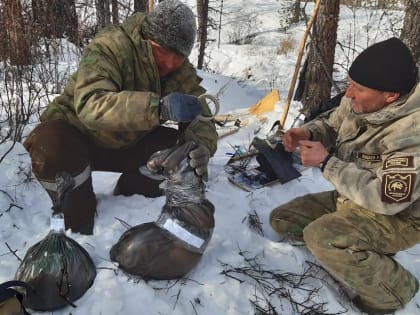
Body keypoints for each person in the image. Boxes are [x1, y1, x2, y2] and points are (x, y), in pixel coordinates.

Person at [23, 0, 217, 235]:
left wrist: (203, 146)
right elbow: (91, 104)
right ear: (147, 39)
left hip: (127, 144)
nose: (170, 63)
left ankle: (131, 193)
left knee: (176, 146)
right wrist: (158, 108)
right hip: (78, 139)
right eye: (163, 52)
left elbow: (202, 113)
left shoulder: (179, 70)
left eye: (178, 56)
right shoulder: (112, 46)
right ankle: (78, 217)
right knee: (49, 144)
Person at [269, 37, 419, 314]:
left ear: (391, 96)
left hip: (401, 217)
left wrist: (327, 163)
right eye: (350, 83)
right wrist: (309, 132)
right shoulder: (364, 101)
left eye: (358, 88)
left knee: (321, 236)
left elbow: (388, 199)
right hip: (354, 197)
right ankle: (359, 249)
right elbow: (334, 123)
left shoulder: (411, 134)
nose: (348, 94)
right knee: (283, 220)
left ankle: (395, 292)